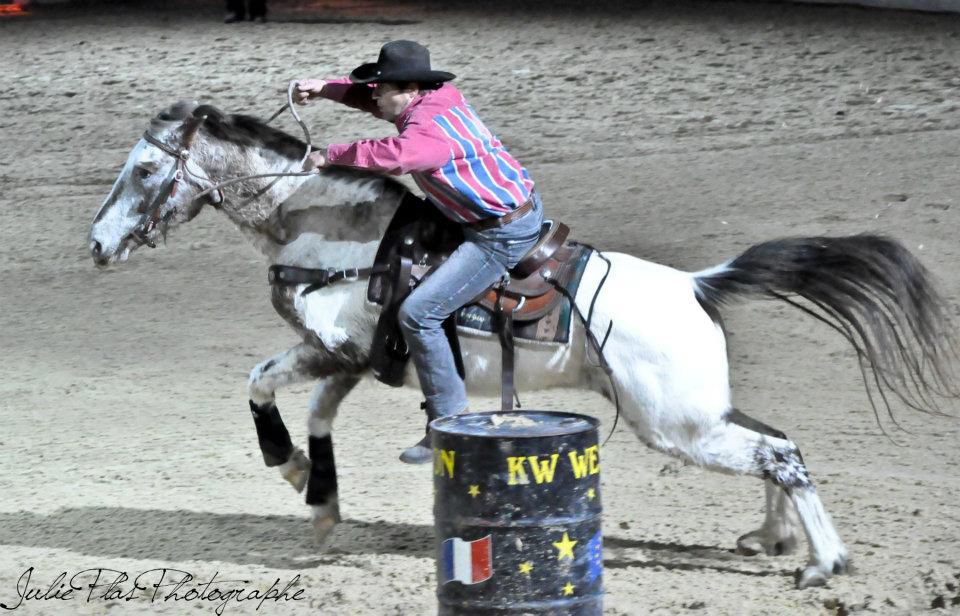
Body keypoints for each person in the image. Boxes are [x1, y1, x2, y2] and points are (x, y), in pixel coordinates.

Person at [294, 40, 544, 464]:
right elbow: (377, 104)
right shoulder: (439, 97)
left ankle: (449, 422)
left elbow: (396, 157)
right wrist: (326, 88)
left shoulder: (426, 134)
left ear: (410, 89)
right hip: (504, 206)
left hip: (499, 235)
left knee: (419, 314)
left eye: (381, 87)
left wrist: (329, 156)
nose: (374, 94)